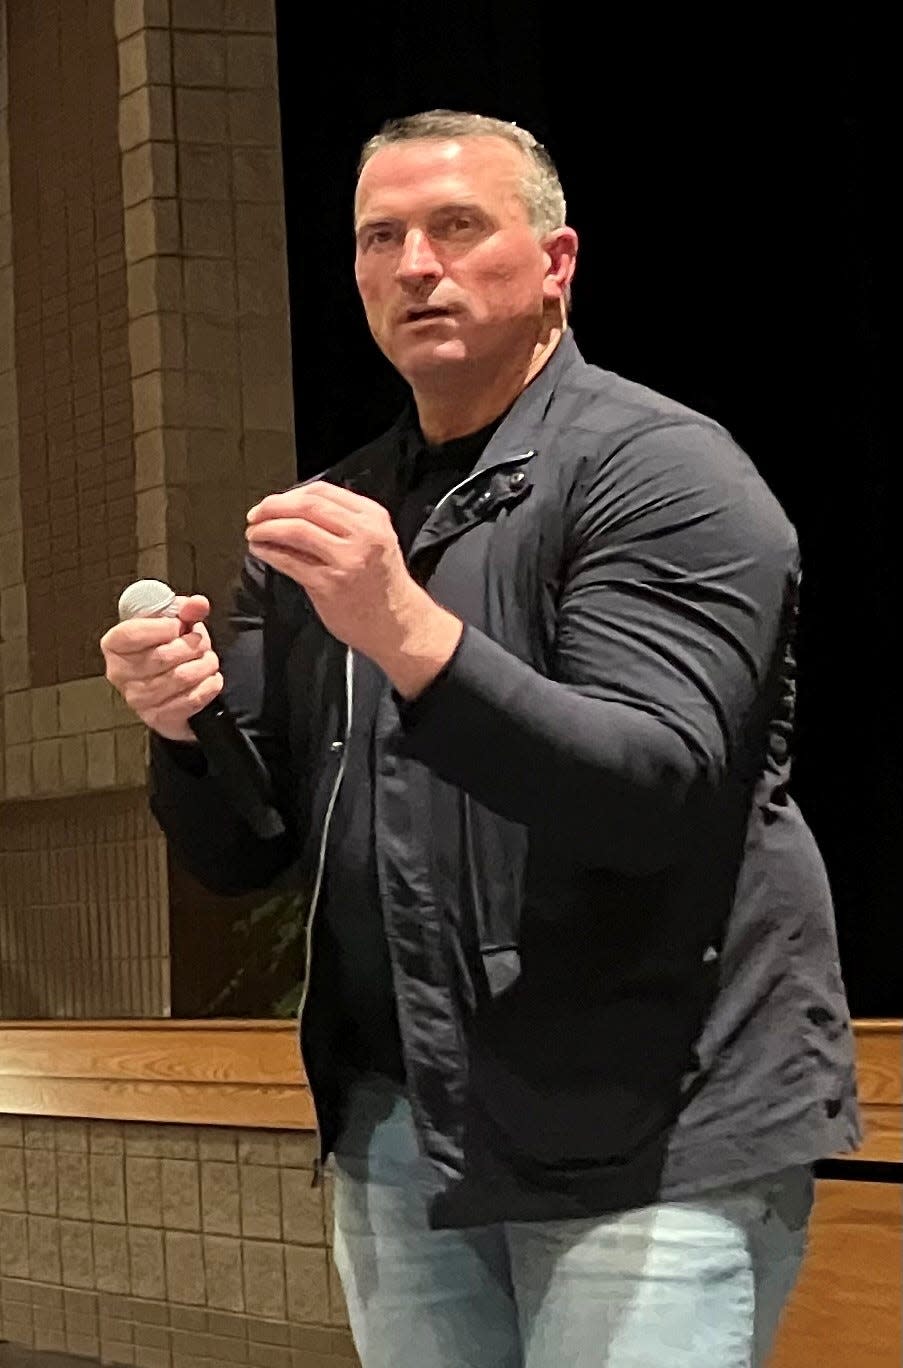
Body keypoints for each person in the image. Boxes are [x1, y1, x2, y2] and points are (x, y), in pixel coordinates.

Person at [101, 110, 860, 1367]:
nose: (415, 266)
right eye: (381, 237)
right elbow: (252, 853)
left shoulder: (667, 475)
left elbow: (651, 792)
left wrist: (406, 629)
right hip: (405, 1133)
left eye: (458, 227)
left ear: (555, 262)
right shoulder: (327, 520)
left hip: (647, 1133)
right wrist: (185, 729)